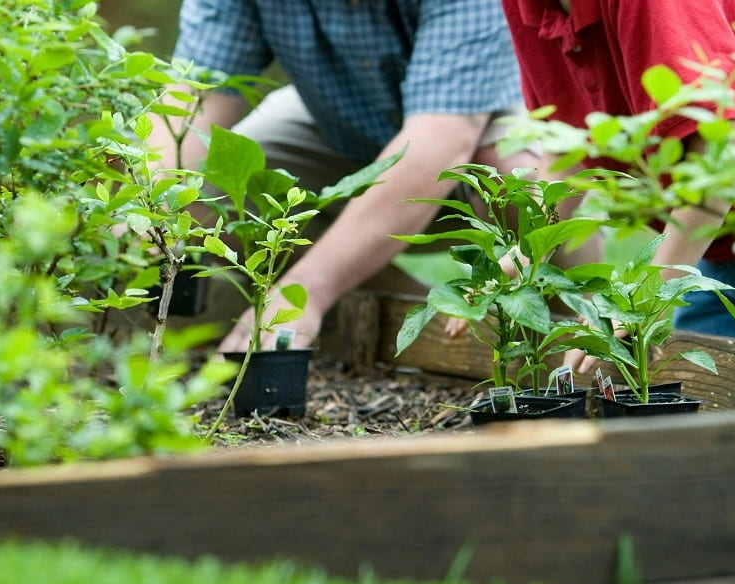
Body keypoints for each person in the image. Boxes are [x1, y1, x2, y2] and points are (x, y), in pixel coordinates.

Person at [146, 0, 537, 353]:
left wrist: (306, 292)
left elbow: (439, 141)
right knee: (214, 189)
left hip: (477, 122)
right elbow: (195, 97)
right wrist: (145, 211)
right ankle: (398, 306)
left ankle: (567, 324)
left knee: (525, 187)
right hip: (338, 122)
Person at [494, 0, 735, 372]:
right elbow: (567, 147)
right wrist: (524, 255)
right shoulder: (528, 6)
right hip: (723, 252)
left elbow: (728, 139)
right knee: (704, 394)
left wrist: (642, 298)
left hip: (722, 231)